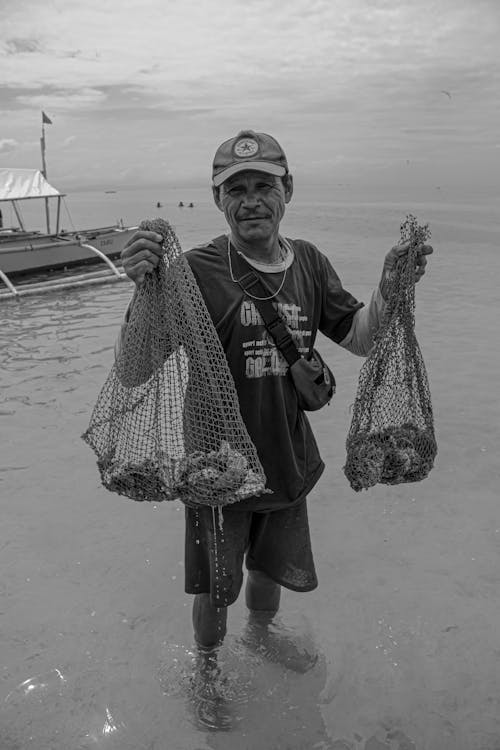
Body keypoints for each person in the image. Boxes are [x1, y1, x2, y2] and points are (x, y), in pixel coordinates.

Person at [118, 129, 433, 655]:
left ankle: (261, 642)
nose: (250, 202)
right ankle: (209, 670)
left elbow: (359, 337)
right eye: (235, 189)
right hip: (217, 468)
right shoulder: (192, 272)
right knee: (217, 591)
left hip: (287, 457)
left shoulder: (308, 262)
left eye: (263, 185)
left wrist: (391, 285)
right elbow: (132, 372)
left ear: (288, 189)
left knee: (269, 573)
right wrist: (141, 291)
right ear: (218, 199)